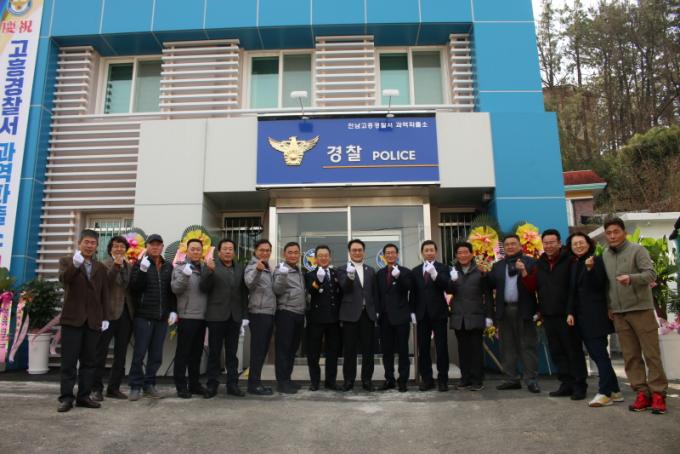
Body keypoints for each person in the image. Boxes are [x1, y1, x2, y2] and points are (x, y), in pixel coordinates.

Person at [602, 217, 668, 414]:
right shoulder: (605, 254)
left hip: (641, 310)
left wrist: (631, 278)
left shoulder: (637, 250)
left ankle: (658, 394)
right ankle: (641, 393)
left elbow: (651, 274)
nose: (612, 236)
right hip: (619, 313)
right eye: (609, 233)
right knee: (630, 356)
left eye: (616, 231)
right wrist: (609, 306)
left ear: (624, 233)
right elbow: (606, 284)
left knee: (651, 354)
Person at [566, 232, 622, 407]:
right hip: (581, 317)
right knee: (598, 355)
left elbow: (599, 286)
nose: (578, 246)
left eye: (581, 243)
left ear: (589, 244)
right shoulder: (575, 264)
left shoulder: (597, 261)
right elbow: (572, 291)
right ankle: (615, 391)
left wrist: (590, 270)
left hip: (596, 316)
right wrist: (570, 312)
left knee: (599, 355)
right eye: (575, 244)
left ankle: (604, 393)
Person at [531, 229, 588, 400]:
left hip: (567, 314)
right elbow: (537, 287)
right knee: (557, 351)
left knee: (573, 350)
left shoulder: (570, 260)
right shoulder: (540, 263)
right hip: (548, 314)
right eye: (546, 243)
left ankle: (579, 385)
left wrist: (571, 310)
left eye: (552, 242)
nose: (548, 246)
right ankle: (566, 383)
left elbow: (573, 288)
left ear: (559, 243)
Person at [57, 229, 109, 413]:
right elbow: (64, 280)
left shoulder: (100, 267)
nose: (89, 246)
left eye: (93, 243)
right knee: (69, 362)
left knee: (89, 362)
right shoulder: (67, 261)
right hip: (72, 319)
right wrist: (75, 265)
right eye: (86, 242)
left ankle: (84, 397)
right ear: (79, 243)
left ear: (97, 246)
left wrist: (105, 317)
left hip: (93, 321)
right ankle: (66, 398)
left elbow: (104, 294)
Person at [487, 234, 540, 393]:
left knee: (527, 345)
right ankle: (511, 379)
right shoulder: (497, 266)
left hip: (524, 310)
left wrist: (538, 310)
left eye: (513, 244)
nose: (510, 246)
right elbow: (489, 286)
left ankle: (531, 380)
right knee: (507, 347)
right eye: (507, 244)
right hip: (504, 311)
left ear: (520, 245)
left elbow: (538, 285)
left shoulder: (530, 262)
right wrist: (483, 275)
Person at [128, 234, 177, 401]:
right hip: (143, 316)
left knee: (156, 355)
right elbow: (134, 288)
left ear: (162, 247)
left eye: (158, 244)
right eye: (152, 244)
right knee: (139, 353)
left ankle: (149, 384)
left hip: (161, 317)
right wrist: (142, 270)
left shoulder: (168, 266)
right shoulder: (139, 264)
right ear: (147, 246)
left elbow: (171, 292)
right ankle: (135, 386)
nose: (155, 247)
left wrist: (173, 310)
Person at [200, 238, 248, 398]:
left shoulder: (240, 268)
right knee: (214, 352)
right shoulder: (211, 265)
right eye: (225, 249)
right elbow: (203, 287)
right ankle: (212, 384)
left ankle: (232, 384)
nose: (228, 251)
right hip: (216, 316)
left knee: (232, 353)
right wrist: (209, 271)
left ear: (234, 252)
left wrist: (244, 316)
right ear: (219, 252)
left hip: (234, 316)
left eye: (230, 249)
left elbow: (243, 293)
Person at [92, 236, 133, 401]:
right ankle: (96, 388)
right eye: (115, 246)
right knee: (100, 352)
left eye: (122, 246)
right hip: (107, 315)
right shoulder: (103, 265)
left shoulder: (129, 266)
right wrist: (116, 265)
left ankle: (114, 388)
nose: (119, 249)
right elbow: (105, 284)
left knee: (120, 354)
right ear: (110, 249)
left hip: (126, 314)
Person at [448, 242, 493, 392]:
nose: (463, 255)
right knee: (463, 350)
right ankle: (465, 379)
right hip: (459, 317)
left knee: (476, 351)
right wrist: (452, 281)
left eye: (465, 252)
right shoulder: (453, 271)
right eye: (459, 253)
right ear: (456, 255)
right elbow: (449, 291)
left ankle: (477, 380)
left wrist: (489, 315)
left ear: (471, 254)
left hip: (476, 315)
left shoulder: (480, 271)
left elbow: (488, 294)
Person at [410, 240, 452, 392]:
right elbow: (413, 293)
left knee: (441, 348)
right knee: (423, 348)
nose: (429, 253)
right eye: (426, 250)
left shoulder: (443, 268)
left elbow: (447, 286)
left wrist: (435, 275)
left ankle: (443, 380)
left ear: (436, 252)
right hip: (422, 314)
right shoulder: (415, 270)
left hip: (439, 313)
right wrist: (412, 311)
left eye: (431, 250)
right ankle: (427, 379)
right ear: (422, 253)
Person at [337, 239, 378, 391]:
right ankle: (349, 381)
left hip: (368, 314)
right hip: (350, 315)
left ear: (364, 252)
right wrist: (350, 277)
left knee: (368, 350)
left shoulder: (370, 270)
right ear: (349, 252)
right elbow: (344, 288)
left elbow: (374, 293)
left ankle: (367, 380)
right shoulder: (342, 269)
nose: (357, 252)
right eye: (354, 250)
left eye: (360, 250)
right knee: (349, 350)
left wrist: (376, 311)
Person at [171, 238, 208, 398]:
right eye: (192, 249)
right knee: (183, 353)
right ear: (187, 251)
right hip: (186, 315)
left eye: (198, 249)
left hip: (203, 316)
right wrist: (185, 275)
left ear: (202, 251)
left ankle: (194, 384)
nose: (196, 252)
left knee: (197, 354)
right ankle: (181, 385)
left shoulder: (205, 268)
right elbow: (176, 289)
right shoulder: (180, 268)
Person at [375, 243, 413, 392]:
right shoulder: (379, 273)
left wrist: (399, 276)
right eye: (387, 253)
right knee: (387, 351)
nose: (390, 255)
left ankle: (403, 380)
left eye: (393, 253)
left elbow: (408, 288)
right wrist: (377, 312)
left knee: (403, 350)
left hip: (401, 317)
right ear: (384, 256)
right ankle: (389, 379)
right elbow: (378, 295)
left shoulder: (406, 272)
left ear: (397, 255)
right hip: (385, 318)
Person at [305, 245, 342, 391]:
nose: (323, 258)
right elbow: (311, 292)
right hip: (316, 319)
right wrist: (318, 281)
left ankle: (330, 381)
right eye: (320, 255)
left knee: (332, 352)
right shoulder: (310, 274)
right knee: (313, 352)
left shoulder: (335, 273)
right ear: (315, 258)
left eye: (326, 255)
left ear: (330, 257)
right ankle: (315, 382)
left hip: (333, 319)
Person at [273, 242, 306, 394]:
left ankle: (288, 379)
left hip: (299, 313)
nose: (293, 255)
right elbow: (277, 290)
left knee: (293, 349)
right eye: (290, 252)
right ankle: (282, 382)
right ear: (284, 254)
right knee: (283, 349)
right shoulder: (281, 269)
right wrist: (282, 275)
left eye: (296, 252)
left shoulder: (299, 270)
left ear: (299, 254)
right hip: (286, 313)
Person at [244, 239, 276, 396]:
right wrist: (257, 270)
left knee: (263, 350)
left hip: (269, 312)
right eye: (262, 250)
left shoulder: (269, 267)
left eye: (268, 250)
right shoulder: (252, 266)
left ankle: (256, 381)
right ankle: (253, 384)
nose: (265, 253)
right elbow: (249, 283)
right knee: (258, 350)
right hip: (258, 312)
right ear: (255, 251)